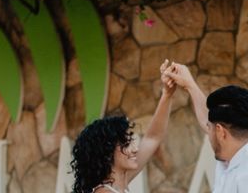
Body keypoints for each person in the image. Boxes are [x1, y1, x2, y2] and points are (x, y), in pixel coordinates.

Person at [164, 63, 248, 193]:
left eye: (209, 128)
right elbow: (210, 120)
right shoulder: (237, 155)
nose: (208, 132)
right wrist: (189, 85)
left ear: (221, 132)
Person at [71, 59, 176, 193]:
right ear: (107, 153)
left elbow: (153, 138)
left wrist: (167, 94)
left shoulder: (119, 183)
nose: (135, 149)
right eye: (126, 144)